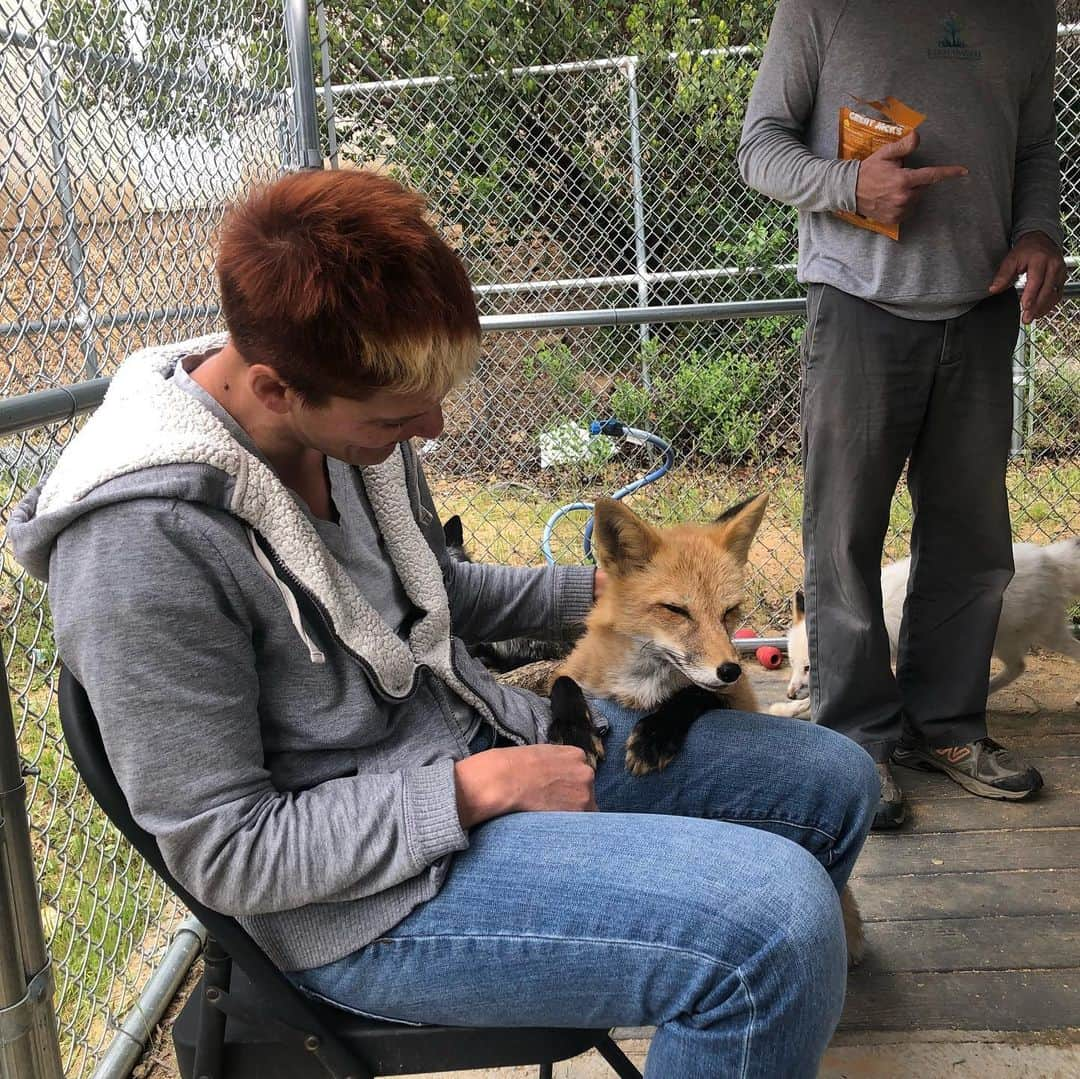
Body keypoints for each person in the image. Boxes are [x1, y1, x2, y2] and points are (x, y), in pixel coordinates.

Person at [10, 169, 876, 1078]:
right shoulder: (142, 545)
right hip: (364, 900)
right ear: (271, 387)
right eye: (395, 415)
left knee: (834, 778)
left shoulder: (339, 426)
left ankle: (754, 1033)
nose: (429, 426)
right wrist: (474, 790)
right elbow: (229, 851)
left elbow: (434, 589)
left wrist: (633, 594)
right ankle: (747, 996)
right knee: (771, 929)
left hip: (481, 742)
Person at [738, 1, 1067, 829]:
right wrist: (851, 183)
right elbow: (760, 148)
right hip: (856, 305)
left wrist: (1037, 230)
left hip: (983, 307)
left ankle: (946, 728)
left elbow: (1033, 147)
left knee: (971, 539)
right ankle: (856, 740)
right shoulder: (819, 8)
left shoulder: (1026, 13)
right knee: (843, 536)